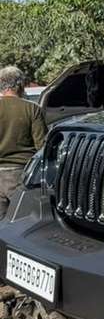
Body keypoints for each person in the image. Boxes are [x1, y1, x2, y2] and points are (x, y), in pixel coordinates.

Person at [0, 66, 47, 222]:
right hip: (22, 177)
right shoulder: (32, 109)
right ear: (20, 85)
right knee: (20, 225)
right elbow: (42, 147)